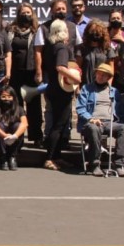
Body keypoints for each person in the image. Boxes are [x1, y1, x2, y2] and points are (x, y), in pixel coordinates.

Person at [76, 63, 124, 177]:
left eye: (104, 75)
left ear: (109, 78)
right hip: (91, 122)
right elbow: (80, 109)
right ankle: (95, 164)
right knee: (94, 128)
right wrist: (91, 119)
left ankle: (119, 164)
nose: (100, 76)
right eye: (99, 74)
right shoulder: (87, 89)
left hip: (109, 122)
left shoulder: (114, 92)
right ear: (95, 74)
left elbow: (121, 113)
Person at [43, 20, 81, 171]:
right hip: (61, 91)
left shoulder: (51, 47)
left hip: (54, 89)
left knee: (60, 124)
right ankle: (51, 158)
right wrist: (77, 78)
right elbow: (60, 67)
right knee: (59, 125)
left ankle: (57, 157)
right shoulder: (62, 48)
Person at [7, 3, 42, 144]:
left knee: (34, 107)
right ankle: (18, 136)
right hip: (15, 73)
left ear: (32, 14)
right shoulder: (10, 30)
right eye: (23, 12)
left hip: (32, 73)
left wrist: (39, 72)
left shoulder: (38, 30)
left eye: (28, 12)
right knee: (16, 106)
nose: (25, 15)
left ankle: (36, 136)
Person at [0, 85, 27, 171]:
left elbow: (24, 124)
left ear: (13, 97)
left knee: (18, 125)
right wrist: (4, 135)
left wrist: (14, 136)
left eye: (9, 96)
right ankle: (3, 158)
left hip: (14, 139)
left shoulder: (19, 109)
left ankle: (12, 157)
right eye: (3, 96)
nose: (6, 99)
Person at [79, 19, 116, 86]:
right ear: (87, 32)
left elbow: (111, 72)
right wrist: (77, 88)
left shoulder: (108, 49)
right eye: (92, 31)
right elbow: (77, 70)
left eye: (98, 32)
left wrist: (108, 88)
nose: (95, 33)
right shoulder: (81, 48)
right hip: (84, 87)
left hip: (102, 88)